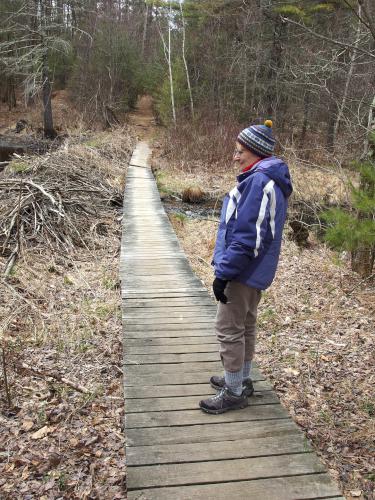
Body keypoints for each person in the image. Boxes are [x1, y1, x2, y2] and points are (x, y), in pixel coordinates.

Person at [199, 120, 293, 414]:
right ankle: (242, 379)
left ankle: (234, 391)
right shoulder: (264, 179)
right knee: (245, 324)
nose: (235, 156)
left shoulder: (259, 182)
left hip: (243, 271)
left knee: (228, 327)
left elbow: (247, 239)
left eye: (240, 151)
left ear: (256, 153)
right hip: (254, 270)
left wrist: (223, 272)